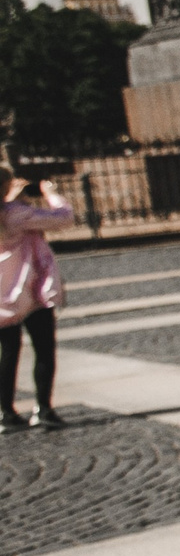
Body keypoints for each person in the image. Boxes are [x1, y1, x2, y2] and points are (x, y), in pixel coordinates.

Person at [0, 166, 74, 432]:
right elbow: (64, 218)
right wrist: (51, 193)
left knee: (8, 353)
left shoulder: (13, 212)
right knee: (43, 349)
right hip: (31, 291)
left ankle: (5, 412)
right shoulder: (18, 214)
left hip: (2, 295)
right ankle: (43, 408)